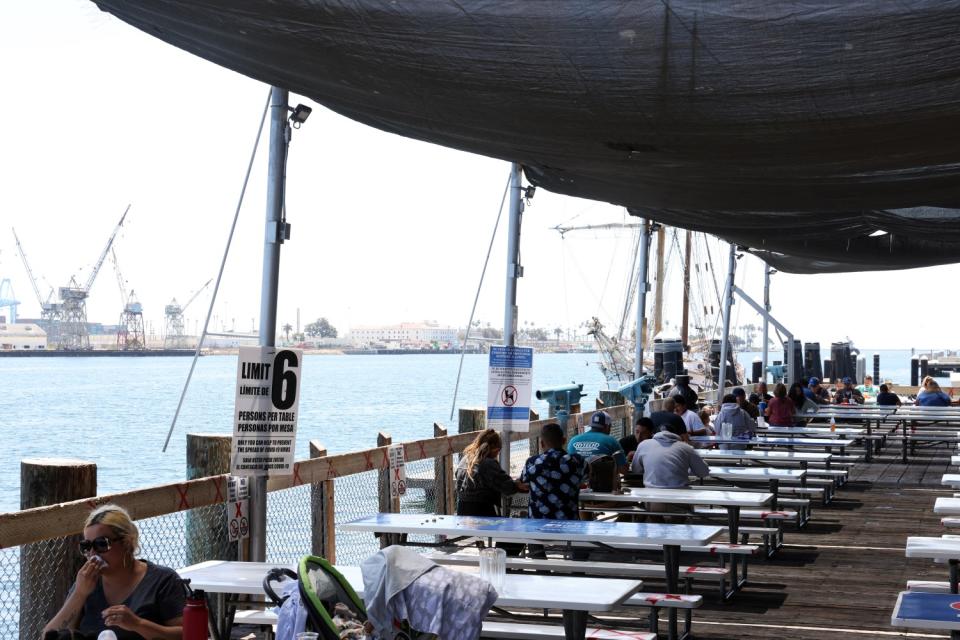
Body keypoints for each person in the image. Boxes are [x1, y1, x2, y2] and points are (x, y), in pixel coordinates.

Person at [43, 504, 185, 640]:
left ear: (127, 542)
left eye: (101, 544)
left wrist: (138, 624)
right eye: (86, 546)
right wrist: (79, 594)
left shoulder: (163, 580)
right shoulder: (87, 583)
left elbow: (187, 634)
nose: (93, 554)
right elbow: (50, 637)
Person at [630, 420, 710, 520]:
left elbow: (636, 470)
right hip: (680, 501)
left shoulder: (643, 445)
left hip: (653, 500)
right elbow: (703, 472)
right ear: (676, 434)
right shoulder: (686, 447)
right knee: (679, 527)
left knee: (656, 521)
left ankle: (658, 527)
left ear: (655, 434)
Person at [456, 429, 528, 517]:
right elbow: (507, 487)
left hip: (461, 510)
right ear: (495, 449)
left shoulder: (464, 460)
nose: (497, 455)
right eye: (498, 451)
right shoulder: (488, 463)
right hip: (481, 510)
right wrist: (516, 484)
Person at [522, 423, 586, 520]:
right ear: (564, 441)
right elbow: (587, 478)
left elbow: (523, 484)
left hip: (536, 526)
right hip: (569, 524)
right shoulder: (578, 462)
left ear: (542, 443)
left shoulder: (532, 463)